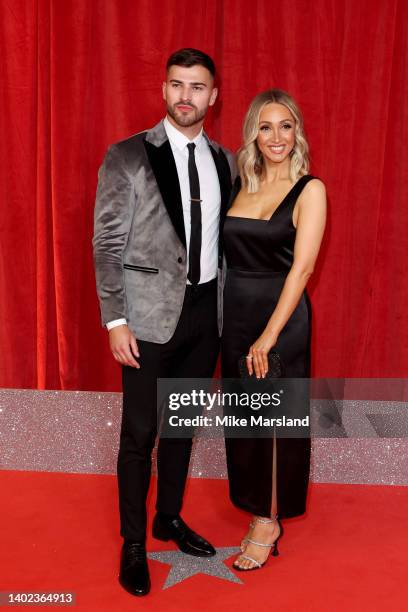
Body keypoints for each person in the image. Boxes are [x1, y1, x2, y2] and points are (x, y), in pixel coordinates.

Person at [93, 48, 235, 596]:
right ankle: (133, 542)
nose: (185, 96)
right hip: (147, 321)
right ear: (163, 90)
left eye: (197, 87)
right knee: (140, 435)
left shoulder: (224, 160)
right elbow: (106, 243)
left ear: (213, 97)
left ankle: (167, 518)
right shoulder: (128, 155)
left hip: (205, 316)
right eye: (177, 85)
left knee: (181, 428)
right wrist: (115, 320)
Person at [221, 89, 326, 570]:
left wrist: (267, 335)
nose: (276, 136)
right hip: (236, 313)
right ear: (253, 133)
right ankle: (255, 504)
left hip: (280, 320)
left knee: (275, 422)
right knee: (244, 418)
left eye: (286, 126)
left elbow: (301, 270)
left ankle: (269, 519)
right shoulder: (239, 183)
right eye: (266, 126)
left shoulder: (311, 190)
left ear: (297, 131)